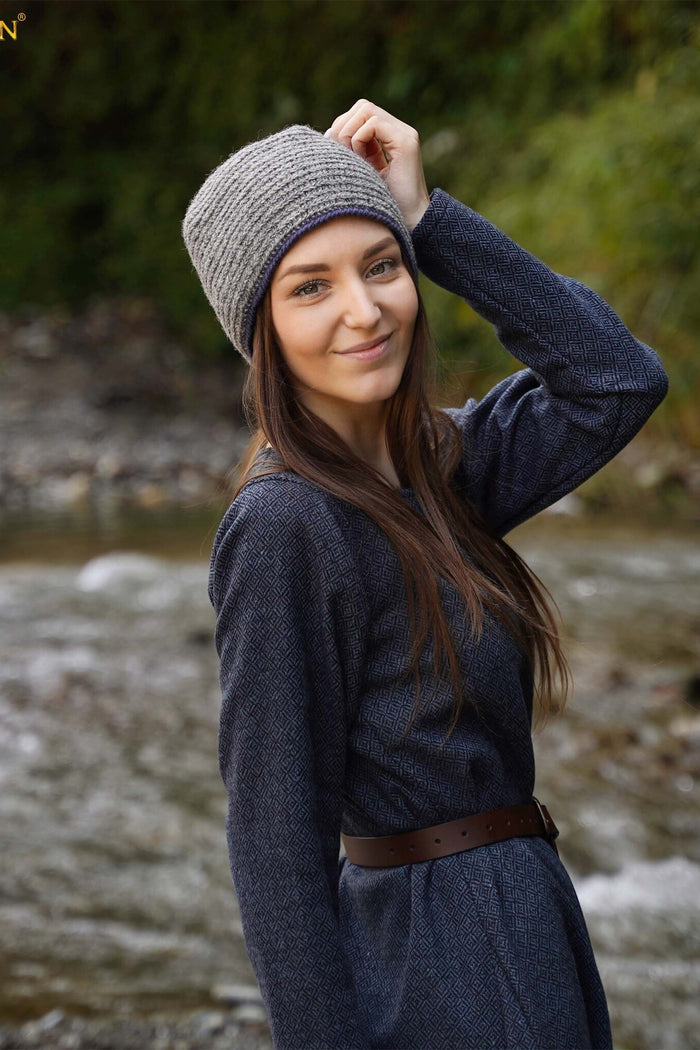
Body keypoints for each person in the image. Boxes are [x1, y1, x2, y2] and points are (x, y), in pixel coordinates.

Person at [181, 100, 668, 1050]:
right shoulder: (285, 526)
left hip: (527, 924)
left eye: (382, 265)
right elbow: (276, 847)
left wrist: (433, 219)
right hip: (437, 958)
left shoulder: (448, 465)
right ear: (262, 331)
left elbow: (615, 377)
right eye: (310, 288)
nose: (364, 310)